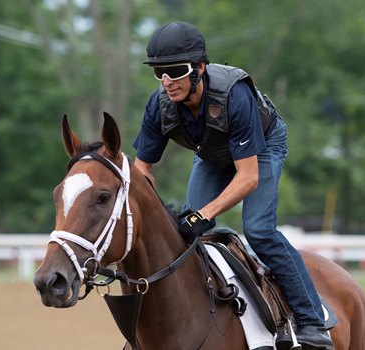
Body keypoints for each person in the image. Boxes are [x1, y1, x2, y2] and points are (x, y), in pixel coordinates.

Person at [133, 21, 334, 350]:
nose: (167, 81)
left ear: (200, 67)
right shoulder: (159, 105)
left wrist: (202, 214)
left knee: (258, 230)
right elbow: (141, 172)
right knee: (188, 233)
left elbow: (248, 177)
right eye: (160, 73)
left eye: (175, 70)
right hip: (212, 151)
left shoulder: (234, 94)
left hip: (263, 147)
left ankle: (312, 320)